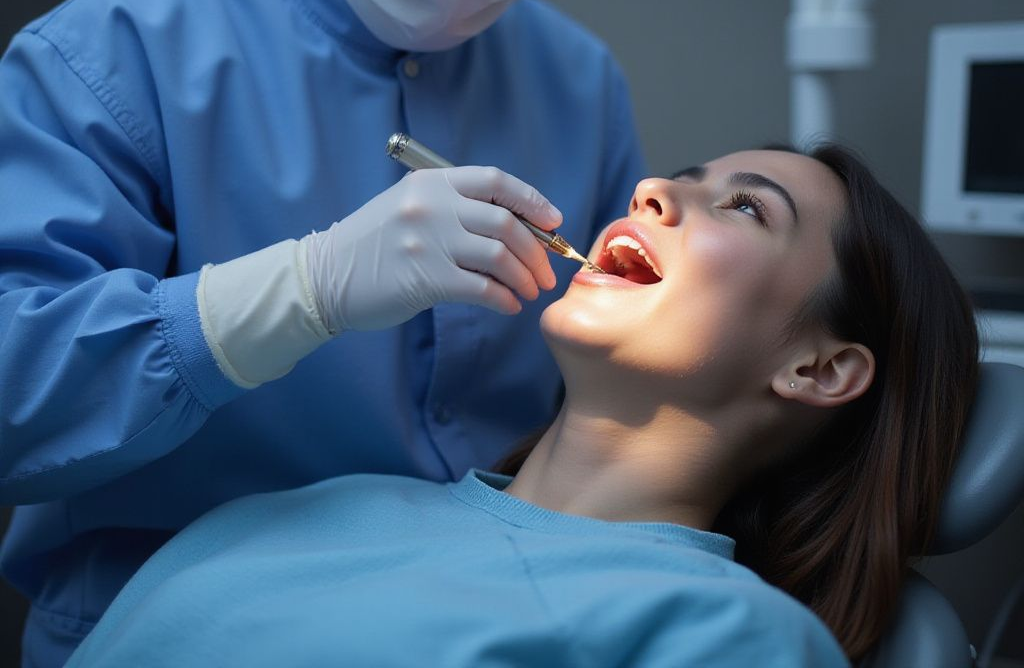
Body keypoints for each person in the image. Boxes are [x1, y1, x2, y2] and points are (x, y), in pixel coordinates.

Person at [63, 145, 979, 666]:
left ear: (821, 370)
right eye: (681, 178)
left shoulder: (727, 636)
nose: (653, 190)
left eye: (745, 208)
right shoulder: (299, 514)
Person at [0, 0, 647, 664]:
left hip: (480, 625)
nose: (658, 198)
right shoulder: (110, 48)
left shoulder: (579, 82)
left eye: (744, 206)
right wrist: (302, 287)